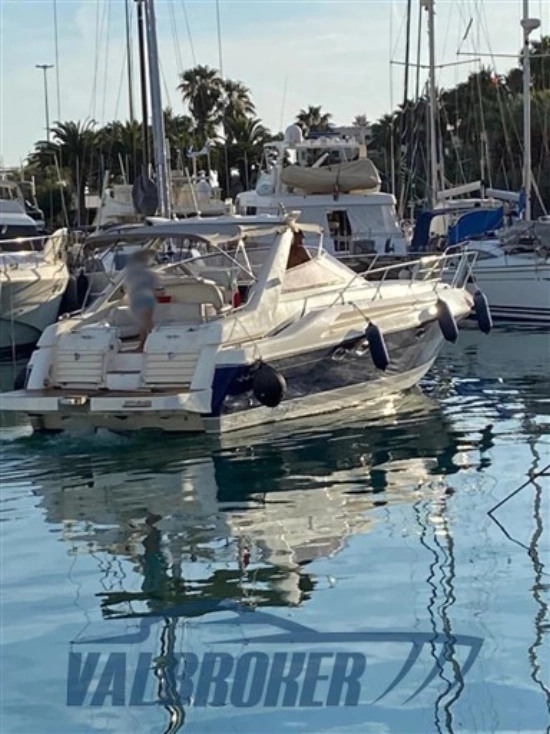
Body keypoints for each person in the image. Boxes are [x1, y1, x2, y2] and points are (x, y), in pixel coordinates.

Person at [125, 251, 158, 352]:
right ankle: (152, 342)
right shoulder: (150, 273)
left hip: (138, 298)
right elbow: (154, 285)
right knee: (148, 322)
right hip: (148, 297)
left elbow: (129, 286)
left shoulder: (132, 272)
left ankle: (144, 344)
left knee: (142, 324)